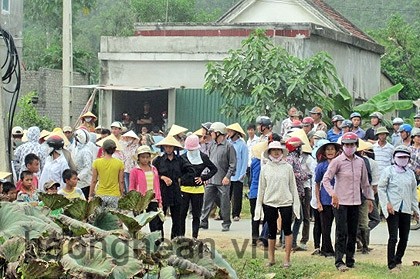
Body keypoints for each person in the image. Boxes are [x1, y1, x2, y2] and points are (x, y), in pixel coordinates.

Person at [322, 132, 374, 272]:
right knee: (341, 232)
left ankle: (350, 259)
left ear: (356, 146)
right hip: (340, 202)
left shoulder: (361, 162)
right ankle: (339, 261)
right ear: (343, 146)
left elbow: (365, 183)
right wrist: (333, 194)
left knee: (352, 231)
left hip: (356, 201)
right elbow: (326, 180)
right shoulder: (337, 161)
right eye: (346, 145)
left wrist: (369, 199)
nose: (349, 147)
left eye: (352, 145)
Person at [254, 141, 300, 267]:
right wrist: (259, 206)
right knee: (272, 230)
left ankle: (287, 259)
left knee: (287, 229)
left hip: (285, 201)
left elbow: (293, 187)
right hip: (269, 202)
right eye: (273, 150)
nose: (275, 152)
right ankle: (271, 259)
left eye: (278, 150)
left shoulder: (288, 167)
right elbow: (261, 188)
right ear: (269, 152)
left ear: (281, 152)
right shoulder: (265, 168)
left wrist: (296, 205)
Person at [378, 145, 420, 272]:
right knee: (393, 237)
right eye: (400, 157)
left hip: (406, 208)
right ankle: (391, 264)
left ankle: (398, 259)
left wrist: (416, 210)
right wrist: (387, 204)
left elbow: (413, 193)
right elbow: (381, 188)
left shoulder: (410, 174)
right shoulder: (388, 171)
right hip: (393, 209)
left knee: (404, 237)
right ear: (394, 158)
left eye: (405, 157)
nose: (402, 159)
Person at [153, 135, 194, 239]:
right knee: (160, 219)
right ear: (163, 147)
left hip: (176, 192)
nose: (168, 149)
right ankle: (159, 241)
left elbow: (191, 171)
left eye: (170, 147)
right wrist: (162, 177)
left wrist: (181, 179)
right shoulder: (158, 160)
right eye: (166, 147)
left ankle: (175, 241)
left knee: (177, 220)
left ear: (174, 148)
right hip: (162, 192)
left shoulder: (180, 160)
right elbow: (153, 174)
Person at [200, 122, 237, 232]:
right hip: (211, 178)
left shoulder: (229, 146)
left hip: (223, 180)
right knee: (206, 201)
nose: (210, 134)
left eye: (212, 132)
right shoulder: (212, 145)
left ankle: (226, 222)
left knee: (224, 203)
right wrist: (206, 176)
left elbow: (233, 164)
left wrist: (228, 177)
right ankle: (203, 222)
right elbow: (208, 162)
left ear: (218, 133)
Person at [180, 134, 217, 238]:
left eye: (193, 149)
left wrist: (203, 178)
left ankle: (194, 237)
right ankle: (181, 237)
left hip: (198, 191)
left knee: (196, 215)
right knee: (182, 215)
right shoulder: (182, 158)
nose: (191, 151)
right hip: (184, 190)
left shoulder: (203, 157)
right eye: (189, 149)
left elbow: (214, 169)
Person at [314, 139, 341, 257]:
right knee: (326, 227)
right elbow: (317, 184)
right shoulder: (321, 166)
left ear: (336, 151)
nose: (330, 151)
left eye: (332, 149)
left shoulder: (340, 164)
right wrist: (318, 202)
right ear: (324, 152)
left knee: (340, 227)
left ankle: (340, 249)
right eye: (328, 149)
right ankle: (327, 249)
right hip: (325, 200)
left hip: (339, 199)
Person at [285, 137, 311, 251]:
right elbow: (291, 174)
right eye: (299, 147)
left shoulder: (295, 158)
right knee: (297, 218)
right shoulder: (291, 159)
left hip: (297, 192)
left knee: (293, 218)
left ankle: (286, 241)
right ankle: (291, 242)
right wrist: (305, 175)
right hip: (293, 193)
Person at [130, 145, 162, 235]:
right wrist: (133, 201)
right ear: (139, 158)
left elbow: (157, 185)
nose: (145, 159)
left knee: (155, 224)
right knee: (138, 224)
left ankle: (155, 244)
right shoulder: (135, 171)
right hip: (140, 200)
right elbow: (132, 187)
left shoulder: (154, 169)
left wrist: (159, 200)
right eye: (143, 157)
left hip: (153, 199)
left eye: (147, 157)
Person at [89, 139, 124, 208]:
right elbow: (121, 181)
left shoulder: (96, 162)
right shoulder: (120, 163)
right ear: (114, 150)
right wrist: (122, 194)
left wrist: (90, 195)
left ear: (103, 149)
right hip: (114, 195)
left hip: (100, 195)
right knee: (112, 217)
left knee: (101, 218)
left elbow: (94, 181)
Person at [227, 123, 249, 221]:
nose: (229, 133)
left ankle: (236, 214)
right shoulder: (227, 143)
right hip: (228, 174)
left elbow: (244, 159)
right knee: (226, 194)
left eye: (231, 131)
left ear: (236, 133)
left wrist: (242, 173)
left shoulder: (242, 144)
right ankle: (224, 212)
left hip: (238, 173)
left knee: (237, 195)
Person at [248, 141, 268, 246]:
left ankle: (254, 239)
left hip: (254, 191)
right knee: (267, 216)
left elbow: (251, 178)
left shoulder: (254, 162)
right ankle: (264, 238)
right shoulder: (267, 164)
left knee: (255, 216)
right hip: (265, 192)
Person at [72, 129, 94, 198]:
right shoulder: (78, 149)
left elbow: (87, 167)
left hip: (85, 183)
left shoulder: (86, 151)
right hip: (78, 182)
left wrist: (79, 177)